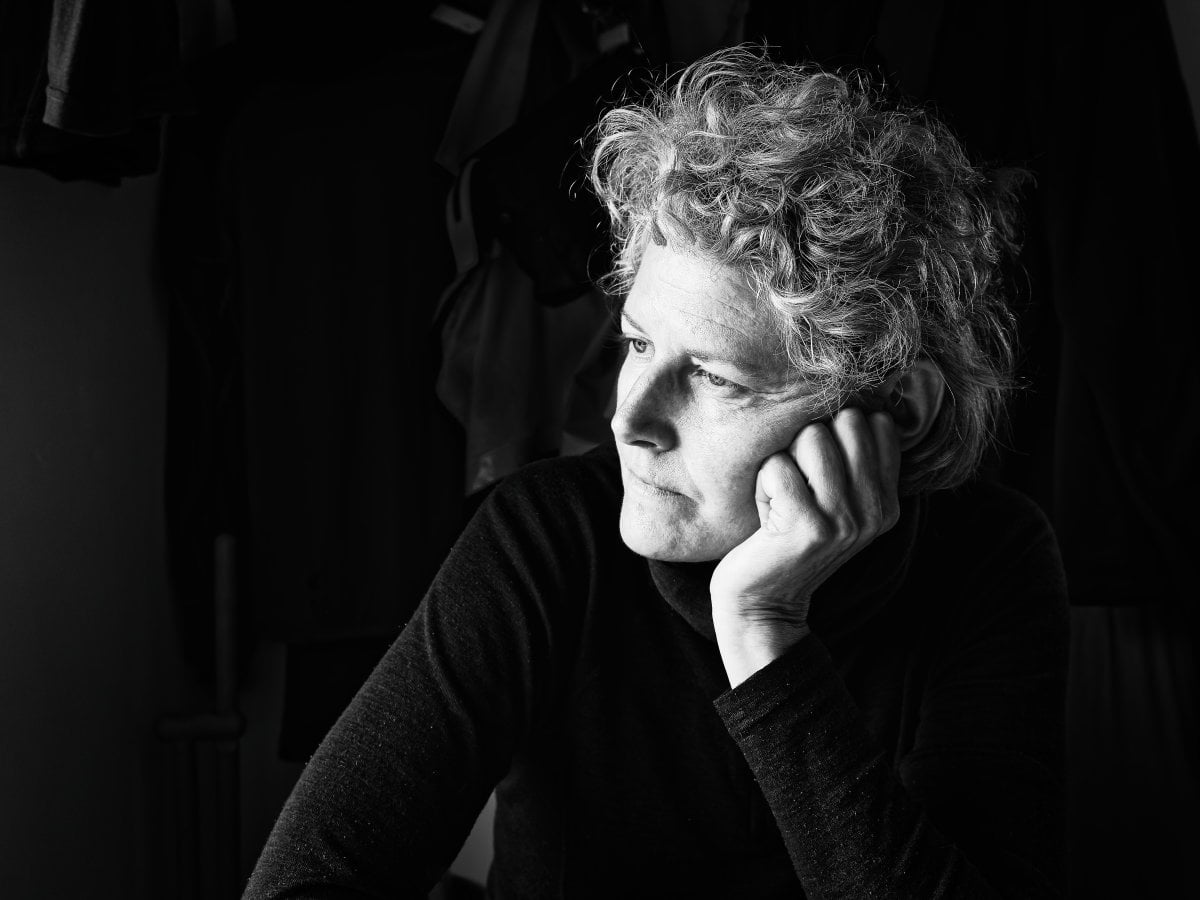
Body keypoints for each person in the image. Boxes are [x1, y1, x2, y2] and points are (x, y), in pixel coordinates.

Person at [243, 45, 1068, 899]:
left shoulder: (989, 561)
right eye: (637, 344)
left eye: (714, 377)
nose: (628, 420)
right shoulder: (548, 537)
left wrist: (763, 629)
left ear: (894, 409)